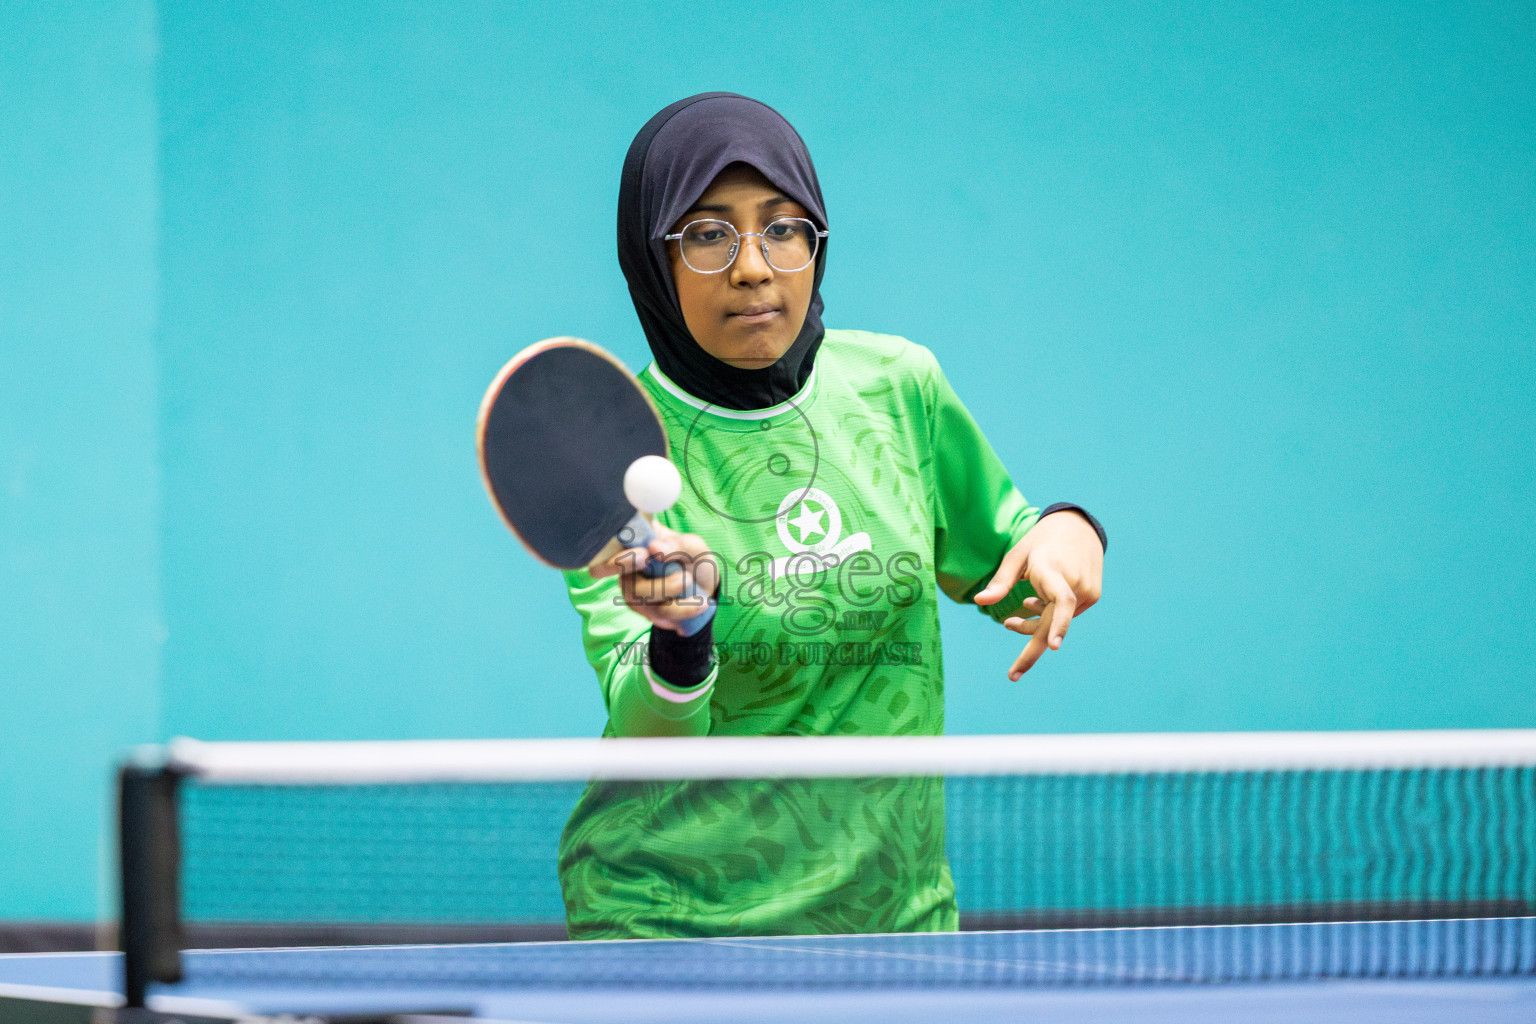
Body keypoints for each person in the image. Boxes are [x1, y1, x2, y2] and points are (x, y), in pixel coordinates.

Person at [557, 93, 1106, 939]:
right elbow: (651, 731)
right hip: (675, 924)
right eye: (707, 233)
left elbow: (1010, 565)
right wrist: (682, 633)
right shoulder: (618, 449)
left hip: (894, 919)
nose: (752, 266)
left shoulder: (897, 388)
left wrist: (1069, 533)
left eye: (784, 227)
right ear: (650, 258)